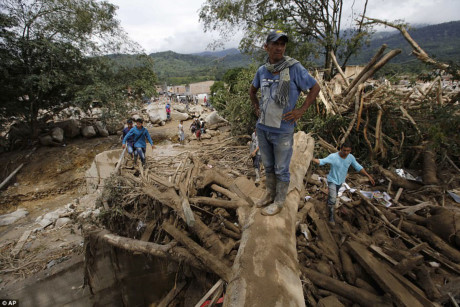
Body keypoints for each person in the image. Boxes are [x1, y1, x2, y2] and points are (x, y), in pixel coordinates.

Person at [250, 30, 320, 216]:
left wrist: (301, 110)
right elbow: (252, 91)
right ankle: (269, 194)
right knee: (269, 165)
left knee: (281, 168)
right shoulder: (262, 70)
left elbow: (315, 87)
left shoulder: (294, 68)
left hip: (283, 130)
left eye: (282, 44)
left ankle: (279, 201)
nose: (279, 48)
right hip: (263, 128)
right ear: (266, 47)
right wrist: (256, 107)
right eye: (275, 44)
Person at [312, 141, 375, 225]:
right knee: (333, 198)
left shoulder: (350, 157)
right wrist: (311, 158)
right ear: (341, 149)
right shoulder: (333, 156)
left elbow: (358, 167)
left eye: (348, 151)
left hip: (340, 181)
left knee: (333, 197)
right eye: (344, 150)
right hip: (332, 180)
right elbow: (322, 161)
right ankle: (331, 217)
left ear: (350, 151)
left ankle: (329, 204)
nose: (346, 152)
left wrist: (368, 176)